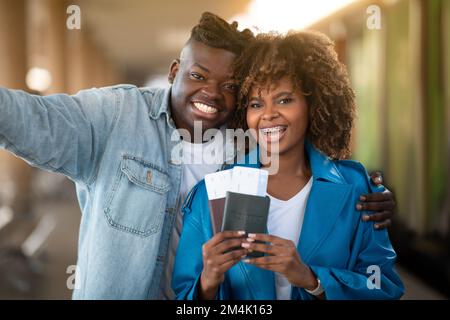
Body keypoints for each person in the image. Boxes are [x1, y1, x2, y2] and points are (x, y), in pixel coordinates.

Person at [0, 12, 395, 299]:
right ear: (174, 70)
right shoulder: (113, 118)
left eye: (230, 85)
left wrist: (368, 193)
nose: (211, 93)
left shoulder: (252, 144)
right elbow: (30, 119)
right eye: (198, 75)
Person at [172, 31, 404, 300]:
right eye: (256, 104)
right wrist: (207, 282)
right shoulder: (210, 194)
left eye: (284, 100)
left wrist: (312, 279)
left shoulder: (356, 188)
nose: (268, 114)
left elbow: (382, 285)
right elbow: (184, 301)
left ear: (312, 104)